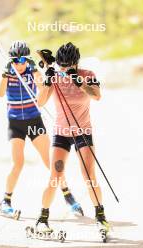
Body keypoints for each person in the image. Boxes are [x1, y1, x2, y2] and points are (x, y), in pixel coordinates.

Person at [0, 41, 83, 218]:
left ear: (27, 60)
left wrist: (35, 69)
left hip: (34, 121)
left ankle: (68, 195)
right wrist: (5, 73)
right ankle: (5, 201)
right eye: (15, 61)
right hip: (16, 124)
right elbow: (0, 93)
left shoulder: (31, 71)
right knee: (18, 163)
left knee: (50, 163)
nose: (19, 64)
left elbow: (43, 87)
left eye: (23, 60)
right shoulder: (9, 73)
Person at [35, 42, 109, 233]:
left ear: (76, 63)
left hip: (83, 133)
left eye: (69, 66)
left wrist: (79, 83)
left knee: (89, 176)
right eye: (62, 66)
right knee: (55, 177)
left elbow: (97, 96)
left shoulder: (88, 75)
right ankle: (42, 218)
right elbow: (40, 102)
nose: (65, 69)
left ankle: (101, 216)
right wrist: (47, 82)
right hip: (61, 134)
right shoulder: (56, 76)